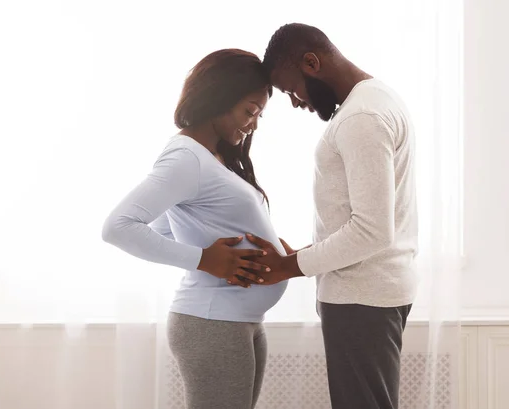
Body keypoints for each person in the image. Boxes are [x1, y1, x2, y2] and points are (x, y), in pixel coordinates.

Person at [234, 24, 418, 409]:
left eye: (290, 90)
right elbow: (365, 220)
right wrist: (304, 254)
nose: (296, 101)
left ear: (311, 63)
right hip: (373, 294)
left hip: (362, 299)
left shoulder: (360, 117)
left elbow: (370, 231)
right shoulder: (377, 99)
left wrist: (289, 266)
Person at [102, 49, 293, 409]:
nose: (253, 123)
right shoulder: (186, 157)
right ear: (218, 98)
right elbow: (118, 227)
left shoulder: (212, 157)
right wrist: (206, 259)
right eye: (249, 111)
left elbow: (164, 227)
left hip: (239, 319)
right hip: (213, 321)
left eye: (259, 115)